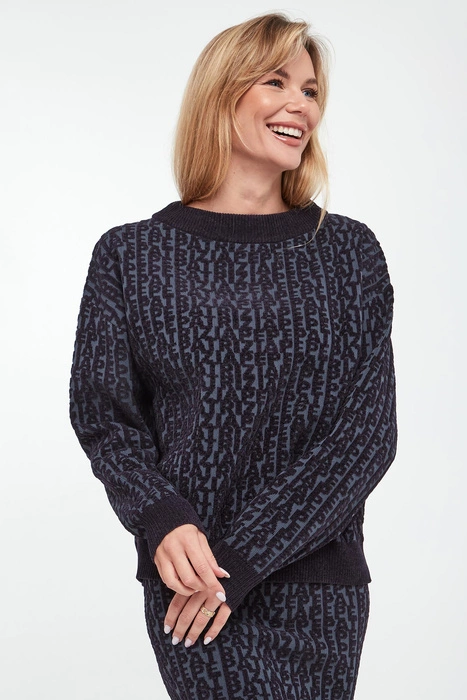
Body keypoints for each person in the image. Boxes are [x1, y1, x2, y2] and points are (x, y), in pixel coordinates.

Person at [69, 12, 397, 700]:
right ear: (221, 93)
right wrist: (160, 516)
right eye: (276, 81)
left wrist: (245, 558)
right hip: (193, 586)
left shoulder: (349, 253)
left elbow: (365, 438)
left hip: (316, 586)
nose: (300, 105)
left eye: (310, 91)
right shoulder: (131, 256)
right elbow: (104, 417)